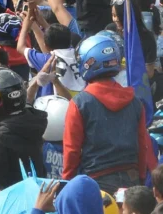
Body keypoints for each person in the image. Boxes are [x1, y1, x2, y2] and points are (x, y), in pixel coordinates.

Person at [63, 32, 157, 192]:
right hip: (131, 179)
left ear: (88, 62)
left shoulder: (79, 103)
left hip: (96, 182)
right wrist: (140, 178)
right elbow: (143, 145)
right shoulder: (134, 101)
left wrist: (67, 184)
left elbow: (71, 150)